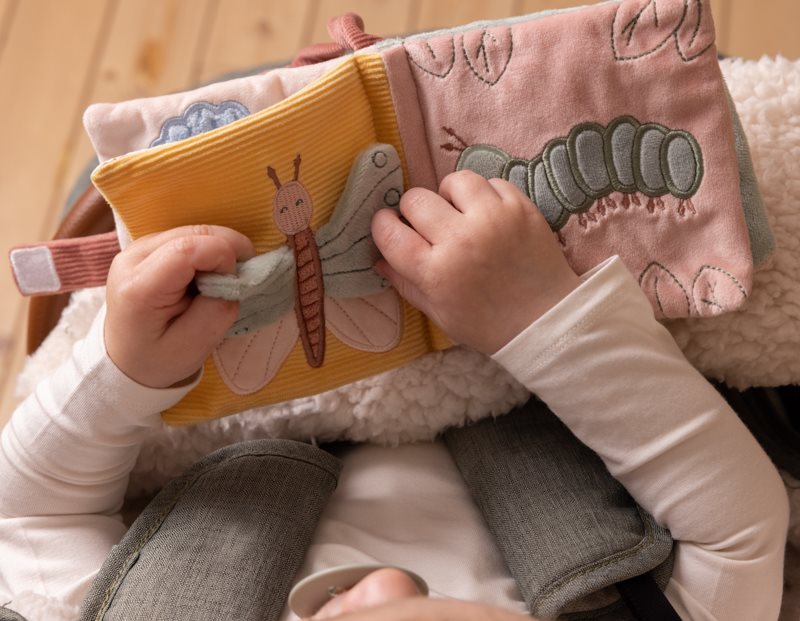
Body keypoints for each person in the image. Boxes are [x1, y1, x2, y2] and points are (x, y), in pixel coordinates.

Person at [0, 171, 789, 621]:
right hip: (513, 335)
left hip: (249, 350)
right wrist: (541, 315)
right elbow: (740, 528)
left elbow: (31, 515)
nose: (377, 582)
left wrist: (129, 365)